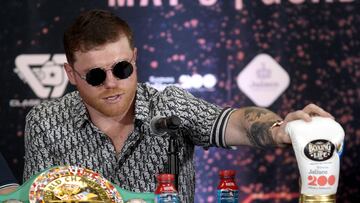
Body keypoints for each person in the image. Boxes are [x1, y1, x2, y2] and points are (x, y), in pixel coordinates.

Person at [23, 9, 333, 202]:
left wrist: (279, 129)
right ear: (71, 75)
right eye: (94, 75)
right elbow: (34, 197)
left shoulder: (170, 105)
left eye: (121, 69)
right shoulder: (45, 121)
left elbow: (235, 123)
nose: (112, 83)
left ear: (134, 59)